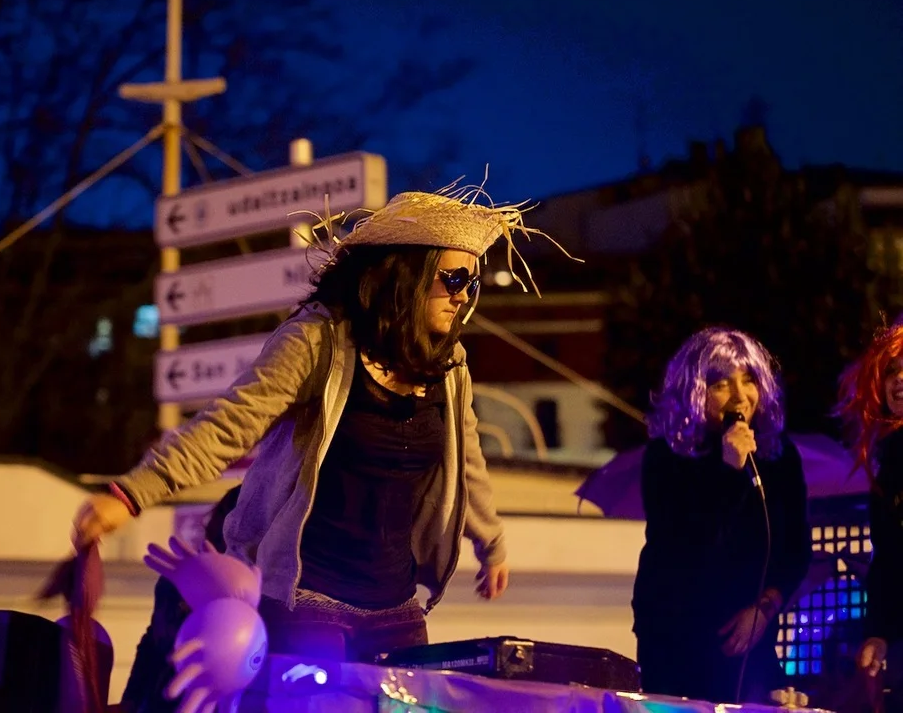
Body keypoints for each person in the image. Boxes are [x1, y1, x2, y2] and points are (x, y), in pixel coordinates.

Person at [73, 184, 575, 662]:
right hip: (306, 600)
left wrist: (491, 543)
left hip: (396, 606)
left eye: (472, 282)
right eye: (454, 279)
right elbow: (227, 426)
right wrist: (132, 494)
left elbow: (466, 461)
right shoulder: (317, 342)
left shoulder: (448, 363)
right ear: (406, 276)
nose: (464, 296)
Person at [632, 327, 812, 703]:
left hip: (749, 631)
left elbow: (795, 549)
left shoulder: (778, 455)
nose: (740, 396)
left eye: (749, 380)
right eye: (721, 385)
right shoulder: (666, 457)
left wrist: (764, 609)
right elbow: (687, 549)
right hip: (677, 637)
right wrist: (729, 470)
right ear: (694, 392)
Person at [119, 485, 241, 713]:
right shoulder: (174, 581)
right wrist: (130, 700)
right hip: (157, 703)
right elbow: (151, 643)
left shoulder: (253, 593)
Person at [836, 321, 903, 711]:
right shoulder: (890, 460)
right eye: (892, 371)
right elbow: (889, 560)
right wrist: (878, 633)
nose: (899, 380)